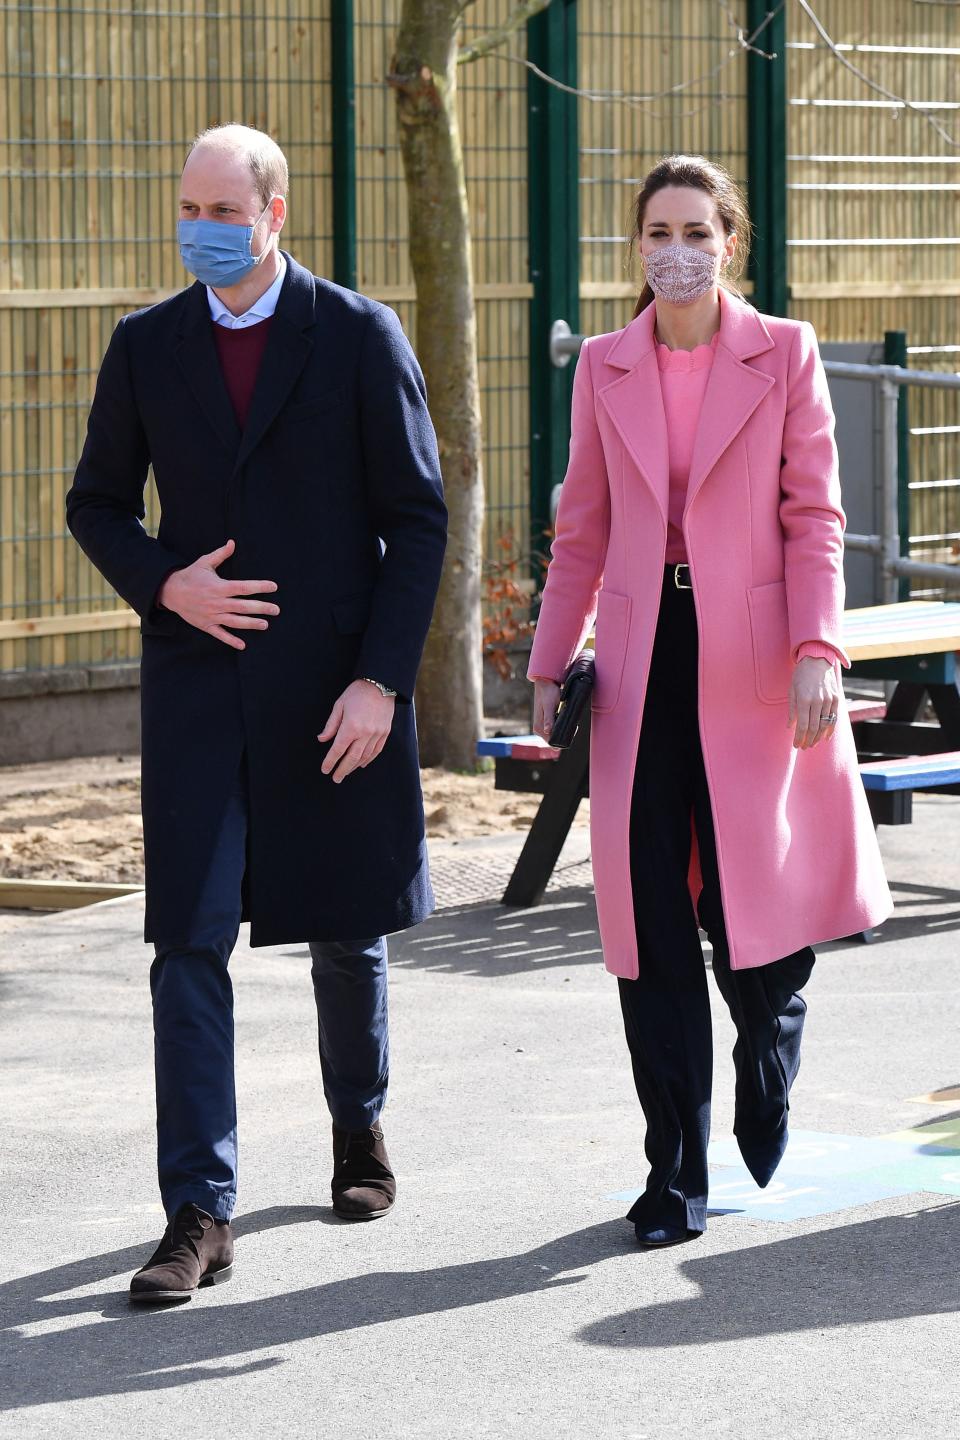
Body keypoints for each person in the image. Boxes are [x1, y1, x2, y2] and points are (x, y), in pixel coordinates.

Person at [66, 124, 447, 1301]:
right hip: (196, 684)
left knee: (346, 924)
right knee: (187, 939)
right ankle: (197, 1209)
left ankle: (359, 1130)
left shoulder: (356, 334)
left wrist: (382, 681)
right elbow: (95, 504)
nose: (199, 226)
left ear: (274, 214)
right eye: (187, 205)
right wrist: (163, 580)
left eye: (222, 208)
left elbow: (419, 518)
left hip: (333, 684)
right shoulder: (145, 346)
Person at [528, 154, 891, 1248]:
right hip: (642, 665)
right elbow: (582, 528)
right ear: (635, 248)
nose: (674, 249)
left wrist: (818, 647)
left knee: (747, 908)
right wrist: (550, 664)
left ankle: (770, 1035)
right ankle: (671, 1171)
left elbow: (815, 514)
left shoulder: (784, 352)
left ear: (728, 239)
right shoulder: (605, 364)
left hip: (754, 660)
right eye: (655, 232)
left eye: (694, 229)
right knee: (646, 922)